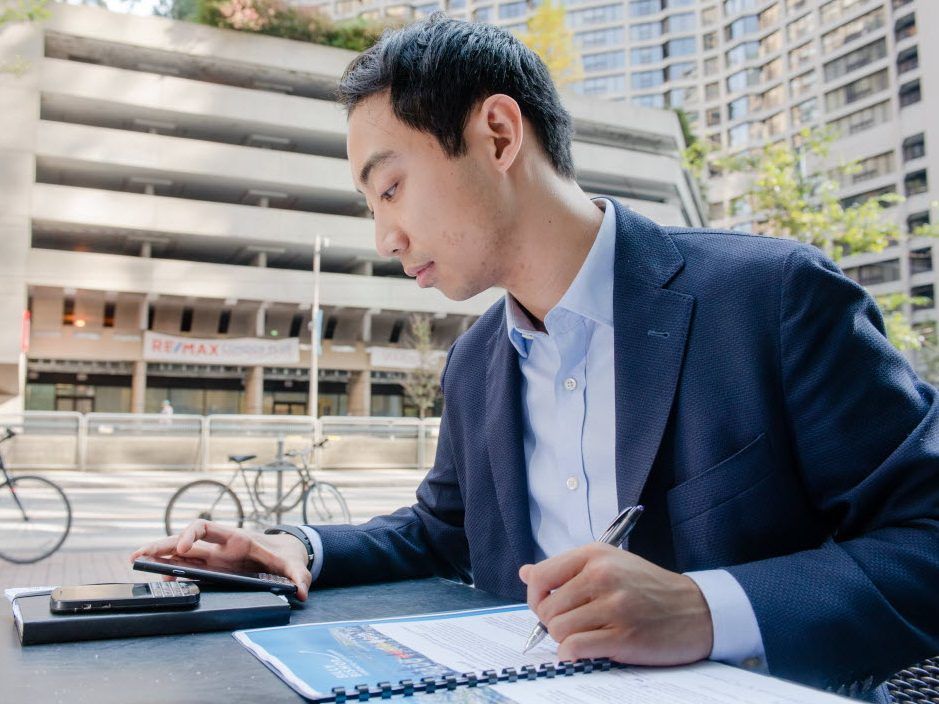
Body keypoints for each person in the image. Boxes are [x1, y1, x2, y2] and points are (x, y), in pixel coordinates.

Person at [132, 15, 939, 699]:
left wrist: (705, 607)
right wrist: (298, 547)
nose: (385, 237)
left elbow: (924, 535)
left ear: (497, 134)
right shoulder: (475, 362)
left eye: (390, 189)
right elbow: (439, 533)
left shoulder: (771, 297)